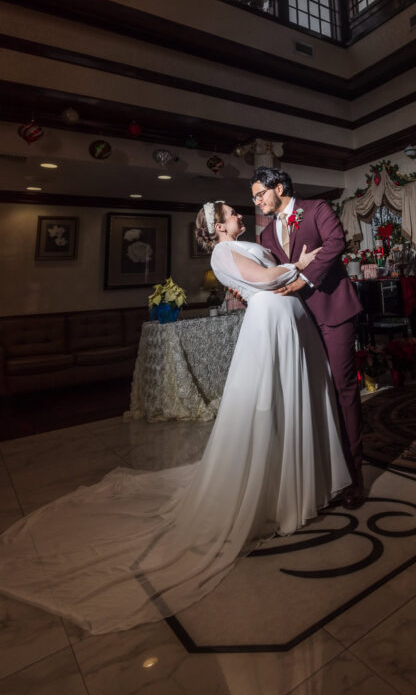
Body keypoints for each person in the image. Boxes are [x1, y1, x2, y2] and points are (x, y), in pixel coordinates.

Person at [0, 202, 350, 634]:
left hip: (287, 316)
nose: (239, 212)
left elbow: (272, 278)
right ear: (218, 226)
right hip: (269, 321)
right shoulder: (222, 255)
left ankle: (297, 483)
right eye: (229, 212)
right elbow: (260, 280)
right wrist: (299, 264)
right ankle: (274, 492)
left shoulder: (248, 241)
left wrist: (292, 272)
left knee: (295, 401)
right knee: (267, 407)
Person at [251, 168, 365, 508]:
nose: (256, 201)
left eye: (260, 194)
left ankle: (355, 477)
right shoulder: (266, 235)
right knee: (315, 392)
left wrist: (306, 279)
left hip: (333, 311)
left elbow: (336, 244)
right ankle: (327, 474)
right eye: (254, 196)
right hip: (297, 321)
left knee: (343, 390)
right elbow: (273, 273)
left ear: (280, 188)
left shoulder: (317, 209)